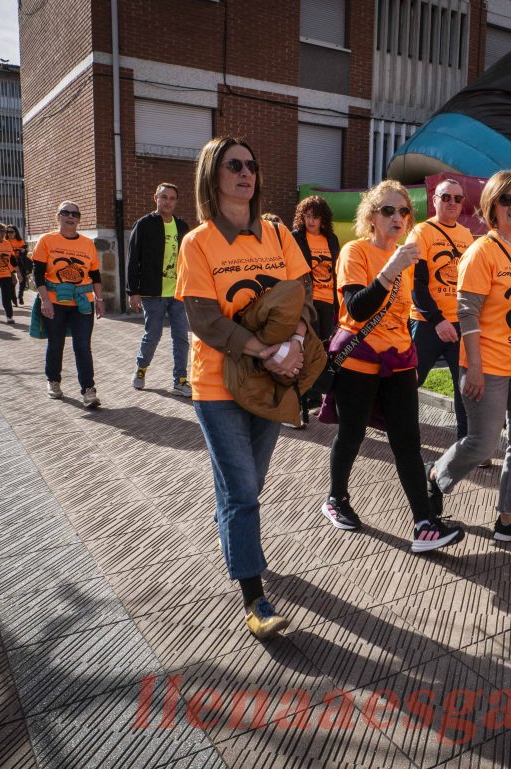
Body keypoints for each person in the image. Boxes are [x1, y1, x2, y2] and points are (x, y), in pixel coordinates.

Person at [176, 137, 312, 639]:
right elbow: (204, 318)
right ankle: (255, 599)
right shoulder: (198, 242)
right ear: (212, 176)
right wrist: (266, 350)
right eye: (233, 165)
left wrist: (295, 342)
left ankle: (235, 539)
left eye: (251, 164)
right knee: (241, 490)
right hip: (217, 384)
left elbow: (305, 294)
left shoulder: (277, 234)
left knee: (247, 484)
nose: (245, 173)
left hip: (271, 380)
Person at [322, 179, 464, 554]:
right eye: (388, 210)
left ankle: (424, 524)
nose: (397, 217)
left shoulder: (408, 258)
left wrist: (412, 354)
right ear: (371, 216)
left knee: (407, 443)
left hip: (399, 361)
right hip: (358, 361)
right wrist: (390, 268)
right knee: (351, 435)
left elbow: (403, 316)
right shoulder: (355, 252)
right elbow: (357, 309)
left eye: (403, 211)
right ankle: (336, 498)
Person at [426, 170, 511, 550]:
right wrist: (474, 367)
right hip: (488, 365)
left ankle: (509, 520)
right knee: (482, 444)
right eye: (506, 199)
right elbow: (467, 313)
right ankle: (436, 476)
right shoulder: (482, 251)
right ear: (492, 206)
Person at [409, 178, 475, 444]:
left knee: (464, 386)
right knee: (410, 380)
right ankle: (395, 426)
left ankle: (466, 443)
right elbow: (416, 284)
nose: (452, 203)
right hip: (427, 323)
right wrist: (437, 321)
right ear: (434, 200)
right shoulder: (421, 232)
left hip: (460, 324)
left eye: (457, 198)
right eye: (445, 197)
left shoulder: (467, 235)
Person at [33, 201, 105, 408]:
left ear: (79, 219)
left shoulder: (87, 243)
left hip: (82, 303)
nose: (70, 217)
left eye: (75, 214)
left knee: (83, 346)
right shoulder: (46, 240)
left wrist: (99, 300)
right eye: (66, 213)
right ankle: (53, 381)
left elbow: (95, 274)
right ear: (58, 216)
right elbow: (38, 274)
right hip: (55, 302)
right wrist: (45, 300)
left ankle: (88, 390)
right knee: (56, 343)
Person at [127, 183, 193, 397]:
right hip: (152, 292)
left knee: (181, 337)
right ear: (155, 198)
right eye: (164, 197)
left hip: (178, 292)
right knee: (153, 335)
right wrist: (132, 291)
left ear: (176, 202)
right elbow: (132, 259)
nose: (167, 202)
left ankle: (180, 380)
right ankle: (141, 368)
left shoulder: (182, 226)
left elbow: (190, 260)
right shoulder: (144, 224)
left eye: (172, 198)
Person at [291, 195, 340, 413]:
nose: (311, 221)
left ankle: (319, 394)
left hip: (328, 301)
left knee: (323, 348)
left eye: (315, 217)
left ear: (323, 219)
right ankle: (309, 396)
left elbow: (337, 270)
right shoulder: (296, 237)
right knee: (309, 347)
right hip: (307, 302)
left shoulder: (331, 239)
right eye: (307, 216)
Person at [6, 225, 29, 306]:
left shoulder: (20, 241)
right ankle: (14, 299)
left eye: (11, 232)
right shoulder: (5, 241)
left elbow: (25, 252)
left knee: (23, 279)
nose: (9, 233)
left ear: (15, 232)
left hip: (19, 262)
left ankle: (20, 296)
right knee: (12, 282)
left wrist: (23, 251)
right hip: (9, 262)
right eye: (7, 232)